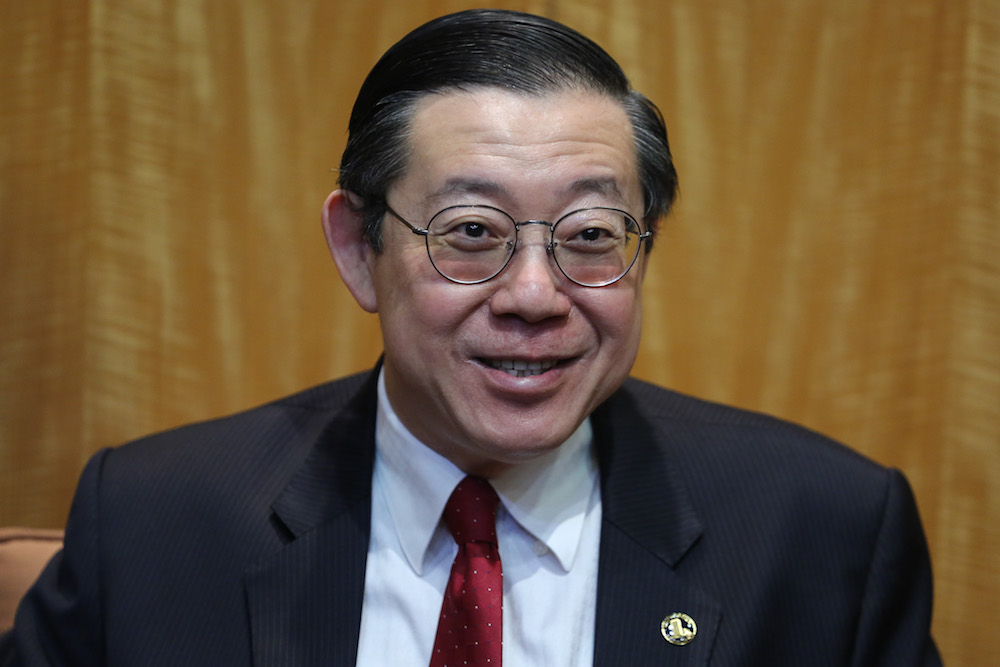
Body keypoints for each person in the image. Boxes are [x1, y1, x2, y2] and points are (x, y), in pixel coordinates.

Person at [1, 9, 941, 666]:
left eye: (590, 238)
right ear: (359, 250)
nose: (535, 294)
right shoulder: (151, 526)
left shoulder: (824, 534)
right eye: (471, 235)